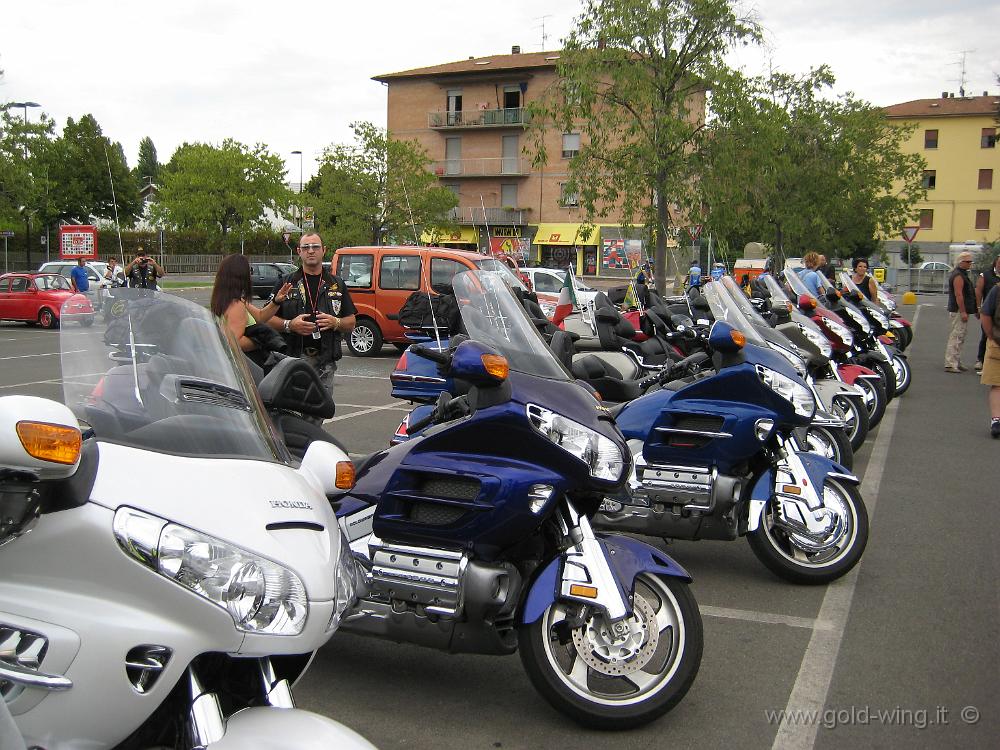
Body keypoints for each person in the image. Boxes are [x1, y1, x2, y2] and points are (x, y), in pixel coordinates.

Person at [267, 233, 357, 393]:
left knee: (320, 412)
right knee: (292, 411)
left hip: (325, 363)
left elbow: (351, 322)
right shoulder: (286, 283)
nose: (310, 251)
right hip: (292, 360)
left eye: (315, 247)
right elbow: (265, 319)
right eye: (305, 247)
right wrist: (289, 325)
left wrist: (335, 323)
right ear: (298, 251)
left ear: (324, 250)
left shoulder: (336, 284)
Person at [210, 254, 293, 358]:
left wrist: (276, 301)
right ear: (241, 275)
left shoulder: (232, 300)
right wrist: (262, 341)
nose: (251, 274)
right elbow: (235, 343)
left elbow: (260, 316)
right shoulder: (235, 306)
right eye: (250, 271)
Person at [944, 251, 978, 373]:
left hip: (961, 310)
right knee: (956, 336)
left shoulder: (961, 274)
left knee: (960, 336)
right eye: (968, 262)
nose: (970, 264)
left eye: (971, 262)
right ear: (961, 262)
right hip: (958, 310)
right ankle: (951, 363)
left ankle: (956, 361)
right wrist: (963, 311)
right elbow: (959, 294)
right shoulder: (958, 276)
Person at [979, 280, 1000, 437]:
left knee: (997, 385)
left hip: (998, 343)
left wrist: (991, 336)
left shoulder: (996, 290)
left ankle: (996, 420)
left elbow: (985, 314)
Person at [973, 254, 1000, 373]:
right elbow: (978, 291)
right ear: (995, 263)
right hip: (989, 312)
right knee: (986, 336)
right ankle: (981, 360)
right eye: (999, 262)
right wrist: (978, 307)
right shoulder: (986, 275)